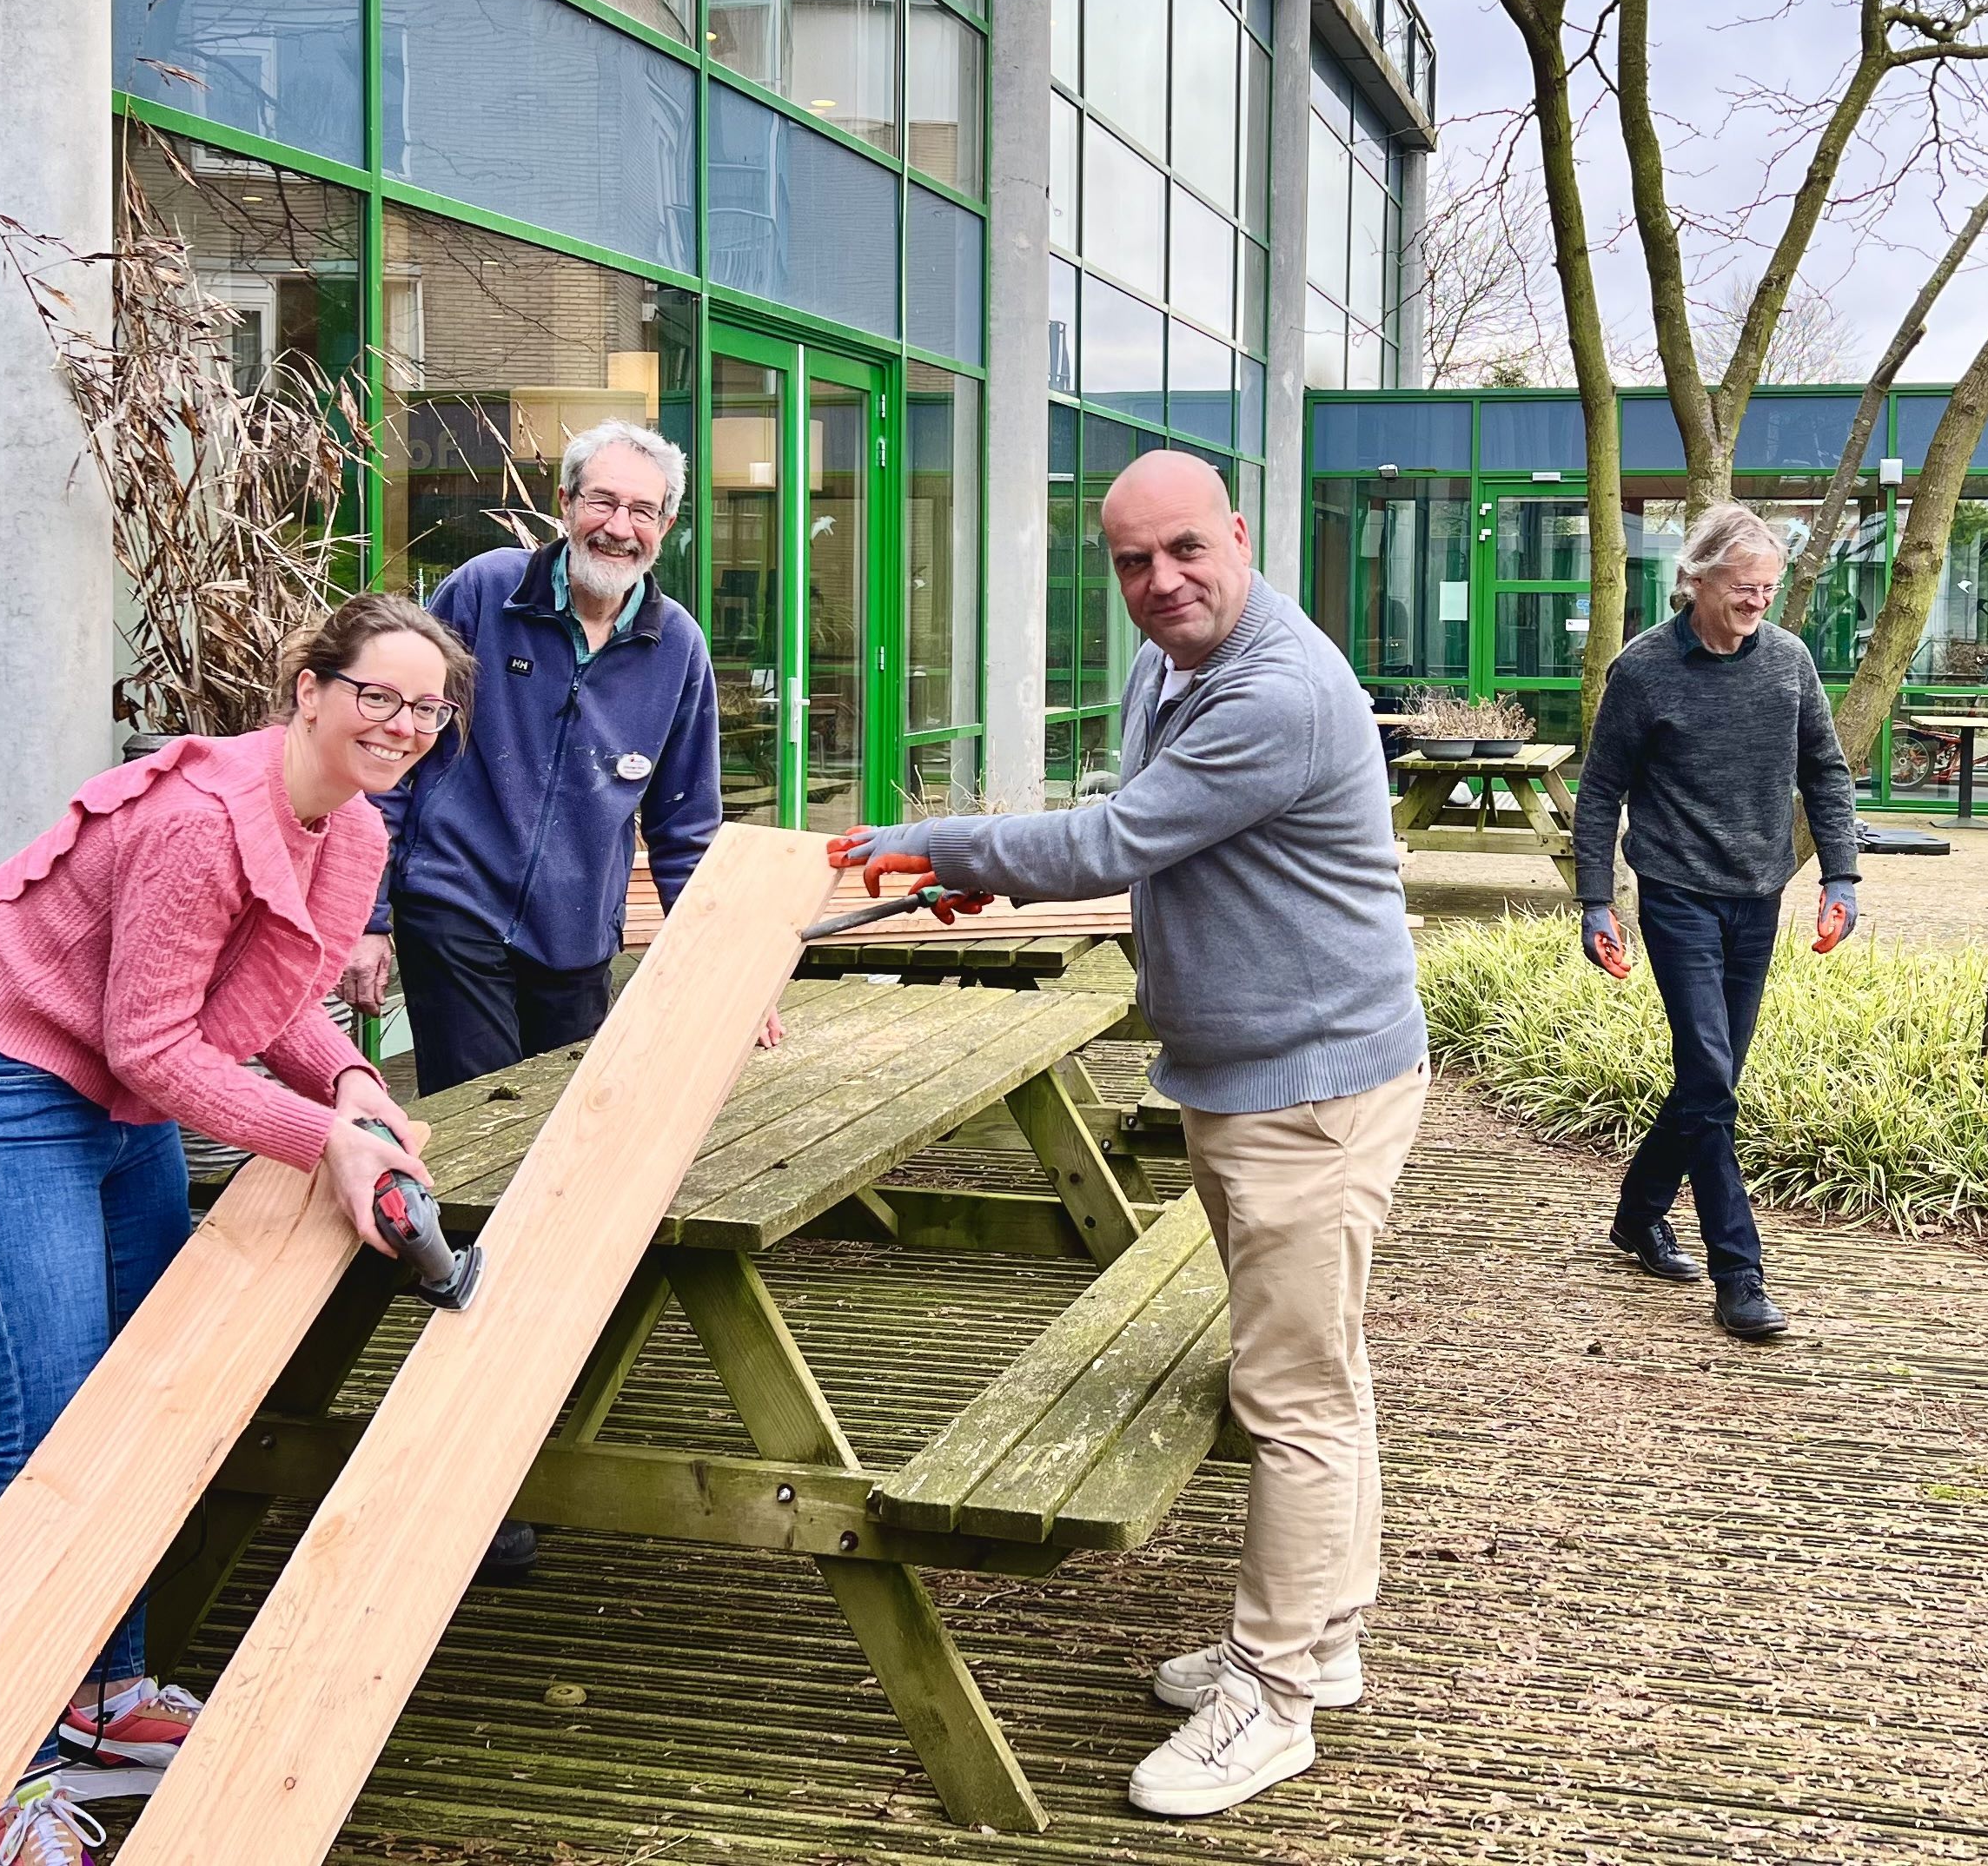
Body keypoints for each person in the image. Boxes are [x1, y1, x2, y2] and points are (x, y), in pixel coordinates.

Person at [822, 450, 1425, 1820]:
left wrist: (935, 845)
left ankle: (1271, 1701)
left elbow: (1114, 839)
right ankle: (1316, 1640)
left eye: (1183, 552)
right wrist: (969, 873)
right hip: (1244, 1071)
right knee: (1314, 1370)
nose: (1159, 584)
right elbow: (1164, 856)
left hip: (1309, 1091)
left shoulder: (1275, 687)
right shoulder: (1173, 668)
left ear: (1240, 535)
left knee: (1293, 1397)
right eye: (1131, 563)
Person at [0, 594, 470, 1866]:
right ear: (309, 688)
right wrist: (321, 1140)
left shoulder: (352, 830)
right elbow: (152, 1040)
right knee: (52, 1433)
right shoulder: (201, 822)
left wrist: (355, 1088)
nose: (402, 724)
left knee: (149, 1404)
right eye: (377, 693)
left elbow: (266, 1002)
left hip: (117, 1100)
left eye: (427, 707)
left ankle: (105, 1699)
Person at [338, 419, 761, 1099]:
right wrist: (367, 914)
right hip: (454, 907)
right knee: (482, 1114)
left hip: (578, 938)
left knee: (563, 1126)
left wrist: (722, 972)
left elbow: (686, 832)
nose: (618, 526)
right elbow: (394, 753)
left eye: (641, 510)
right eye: (601, 501)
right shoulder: (483, 592)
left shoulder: (677, 646)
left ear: (668, 522)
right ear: (565, 502)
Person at [1573, 505, 1861, 1342]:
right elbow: (1599, 793)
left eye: (1768, 588)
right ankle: (1740, 1271)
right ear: (1695, 579)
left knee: (1712, 1076)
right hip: (1675, 893)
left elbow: (1827, 771)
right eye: (1743, 588)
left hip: (1757, 894)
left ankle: (1637, 1214)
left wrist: (1840, 874)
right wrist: (1598, 899)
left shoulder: (1789, 663)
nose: (1758, 602)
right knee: (1710, 1074)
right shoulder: (1644, 671)